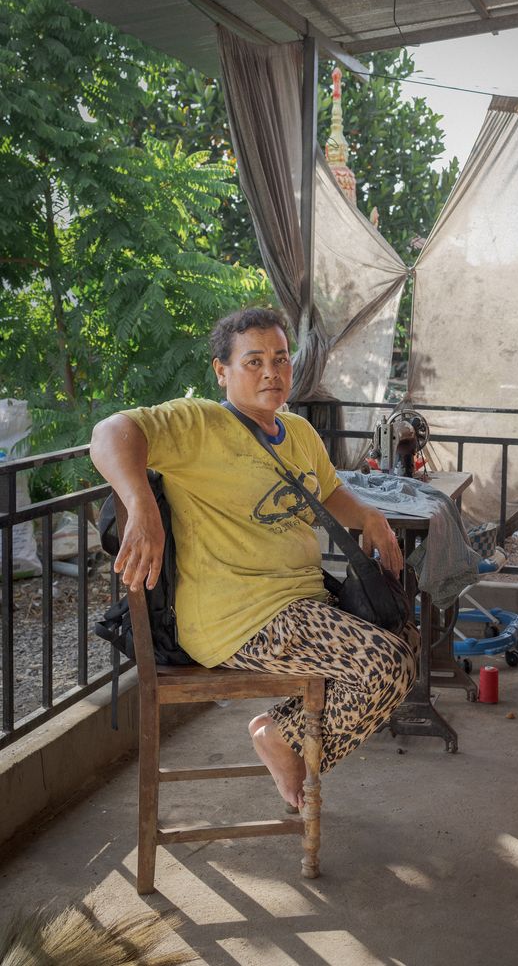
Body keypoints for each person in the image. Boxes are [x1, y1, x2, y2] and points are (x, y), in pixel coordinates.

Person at [90, 307, 416, 808]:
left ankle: (283, 735)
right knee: (385, 664)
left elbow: (329, 492)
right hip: (238, 618)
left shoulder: (299, 433)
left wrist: (368, 515)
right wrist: (140, 504)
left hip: (305, 606)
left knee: (405, 641)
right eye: (255, 361)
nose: (272, 372)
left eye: (281, 359)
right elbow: (110, 432)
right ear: (221, 371)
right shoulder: (198, 422)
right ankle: (283, 739)